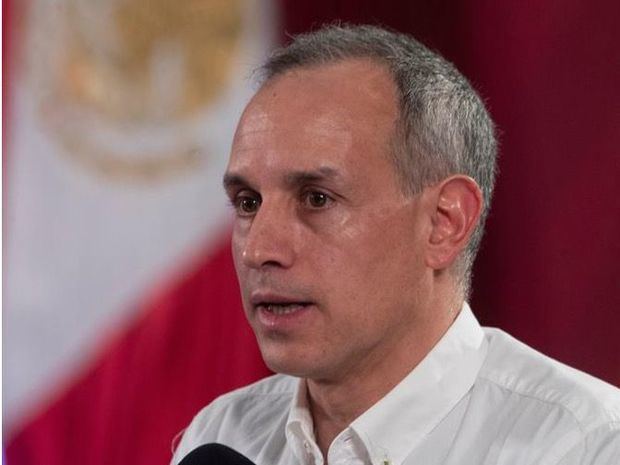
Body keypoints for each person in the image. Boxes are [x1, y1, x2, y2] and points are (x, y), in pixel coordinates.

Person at [172, 24, 620, 465]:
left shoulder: (585, 446)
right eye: (248, 203)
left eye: (317, 199)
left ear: (444, 223)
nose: (258, 250)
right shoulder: (222, 434)